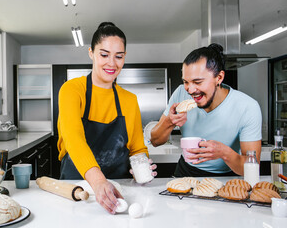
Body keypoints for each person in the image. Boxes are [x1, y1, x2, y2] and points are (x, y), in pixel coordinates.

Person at [57, 22, 157, 214]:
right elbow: (73, 139)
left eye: (118, 56)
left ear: (124, 57)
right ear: (91, 53)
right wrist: (98, 181)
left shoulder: (129, 100)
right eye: (104, 55)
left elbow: (137, 148)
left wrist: (141, 168)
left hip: (120, 193)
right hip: (77, 191)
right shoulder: (72, 90)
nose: (112, 63)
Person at [150, 43, 262, 177]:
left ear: (219, 78)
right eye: (186, 82)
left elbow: (251, 169)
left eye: (197, 82)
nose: (190, 90)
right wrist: (169, 121)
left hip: (227, 176)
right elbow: (155, 141)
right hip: (185, 172)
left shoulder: (247, 107)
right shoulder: (180, 93)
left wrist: (224, 152)